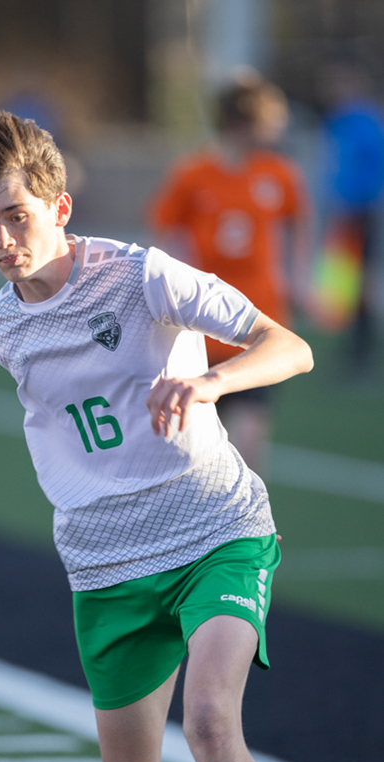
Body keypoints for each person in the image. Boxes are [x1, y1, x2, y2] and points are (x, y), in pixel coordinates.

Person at [0, 110, 313, 762]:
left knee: (212, 721)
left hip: (217, 529)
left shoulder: (144, 275)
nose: (2, 240)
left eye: (17, 216)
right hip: (106, 565)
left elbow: (288, 346)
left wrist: (212, 378)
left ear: (60, 206)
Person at [146, 71, 311, 474]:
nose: (277, 128)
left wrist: (301, 279)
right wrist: (173, 291)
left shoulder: (280, 174)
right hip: (205, 320)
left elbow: (300, 226)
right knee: (197, 450)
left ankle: (247, 507)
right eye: (269, 119)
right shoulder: (192, 175)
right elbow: (164, 233)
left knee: (250, 439)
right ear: (242, 123)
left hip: (260, 317)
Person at [318, 59, 384, 376]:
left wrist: (359, 203)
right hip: (341, 212)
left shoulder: (367, 121)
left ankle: (363, 351)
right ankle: (351, 348)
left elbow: (374, 170)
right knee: (342, 284)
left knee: (360, 282)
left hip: (359, 212)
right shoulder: (337, 120)